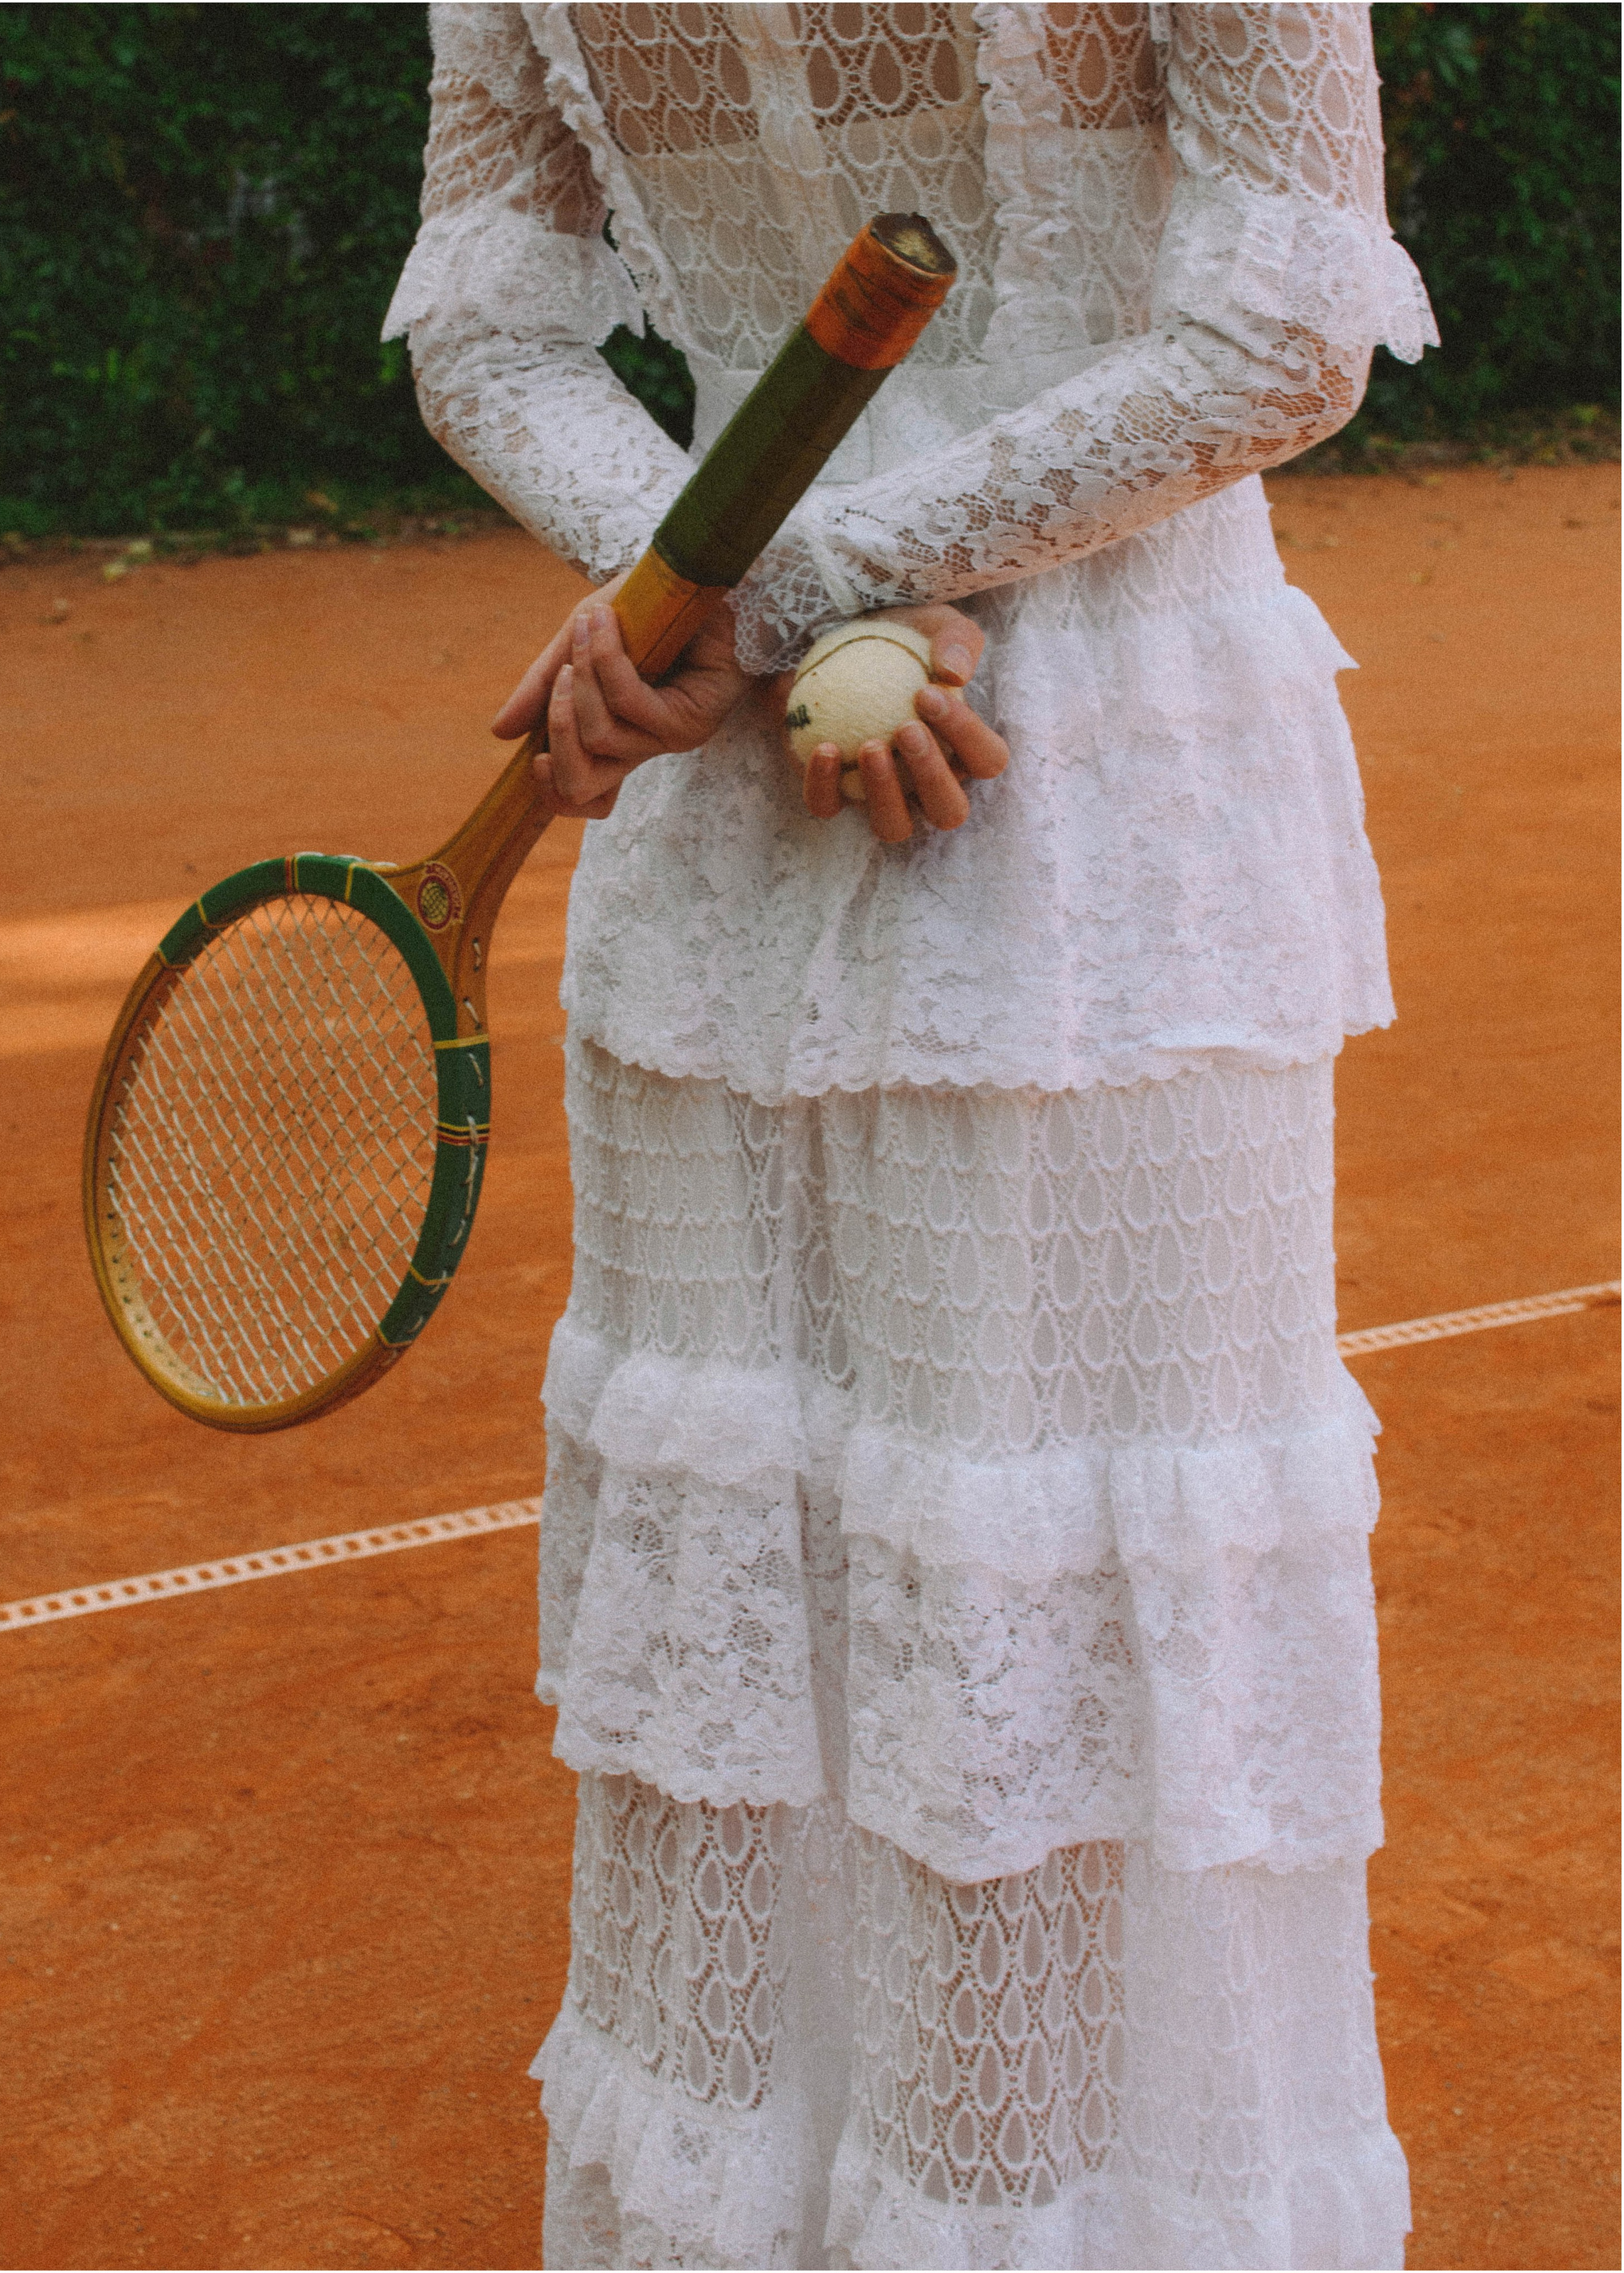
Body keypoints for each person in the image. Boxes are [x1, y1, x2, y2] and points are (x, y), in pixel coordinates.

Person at [386, 7, 1437, 2267]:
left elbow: (483, 331)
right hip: (1083, 813)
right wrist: (787, 603)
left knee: (865, 1628)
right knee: (1018, 1635)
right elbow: (1280, 320)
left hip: (751, 775)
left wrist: (719, 595)